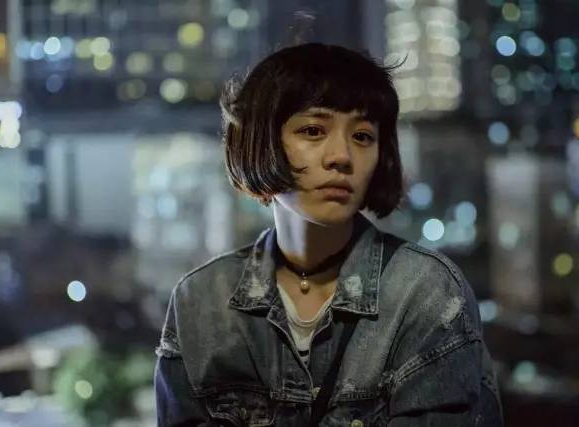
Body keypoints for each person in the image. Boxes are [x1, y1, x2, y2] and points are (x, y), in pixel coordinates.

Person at [154, 43, 503, 426]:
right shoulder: (201, 301)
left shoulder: (422, 292)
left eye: (363, 136)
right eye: (313, 130)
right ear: (261, 142)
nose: (341, 156)